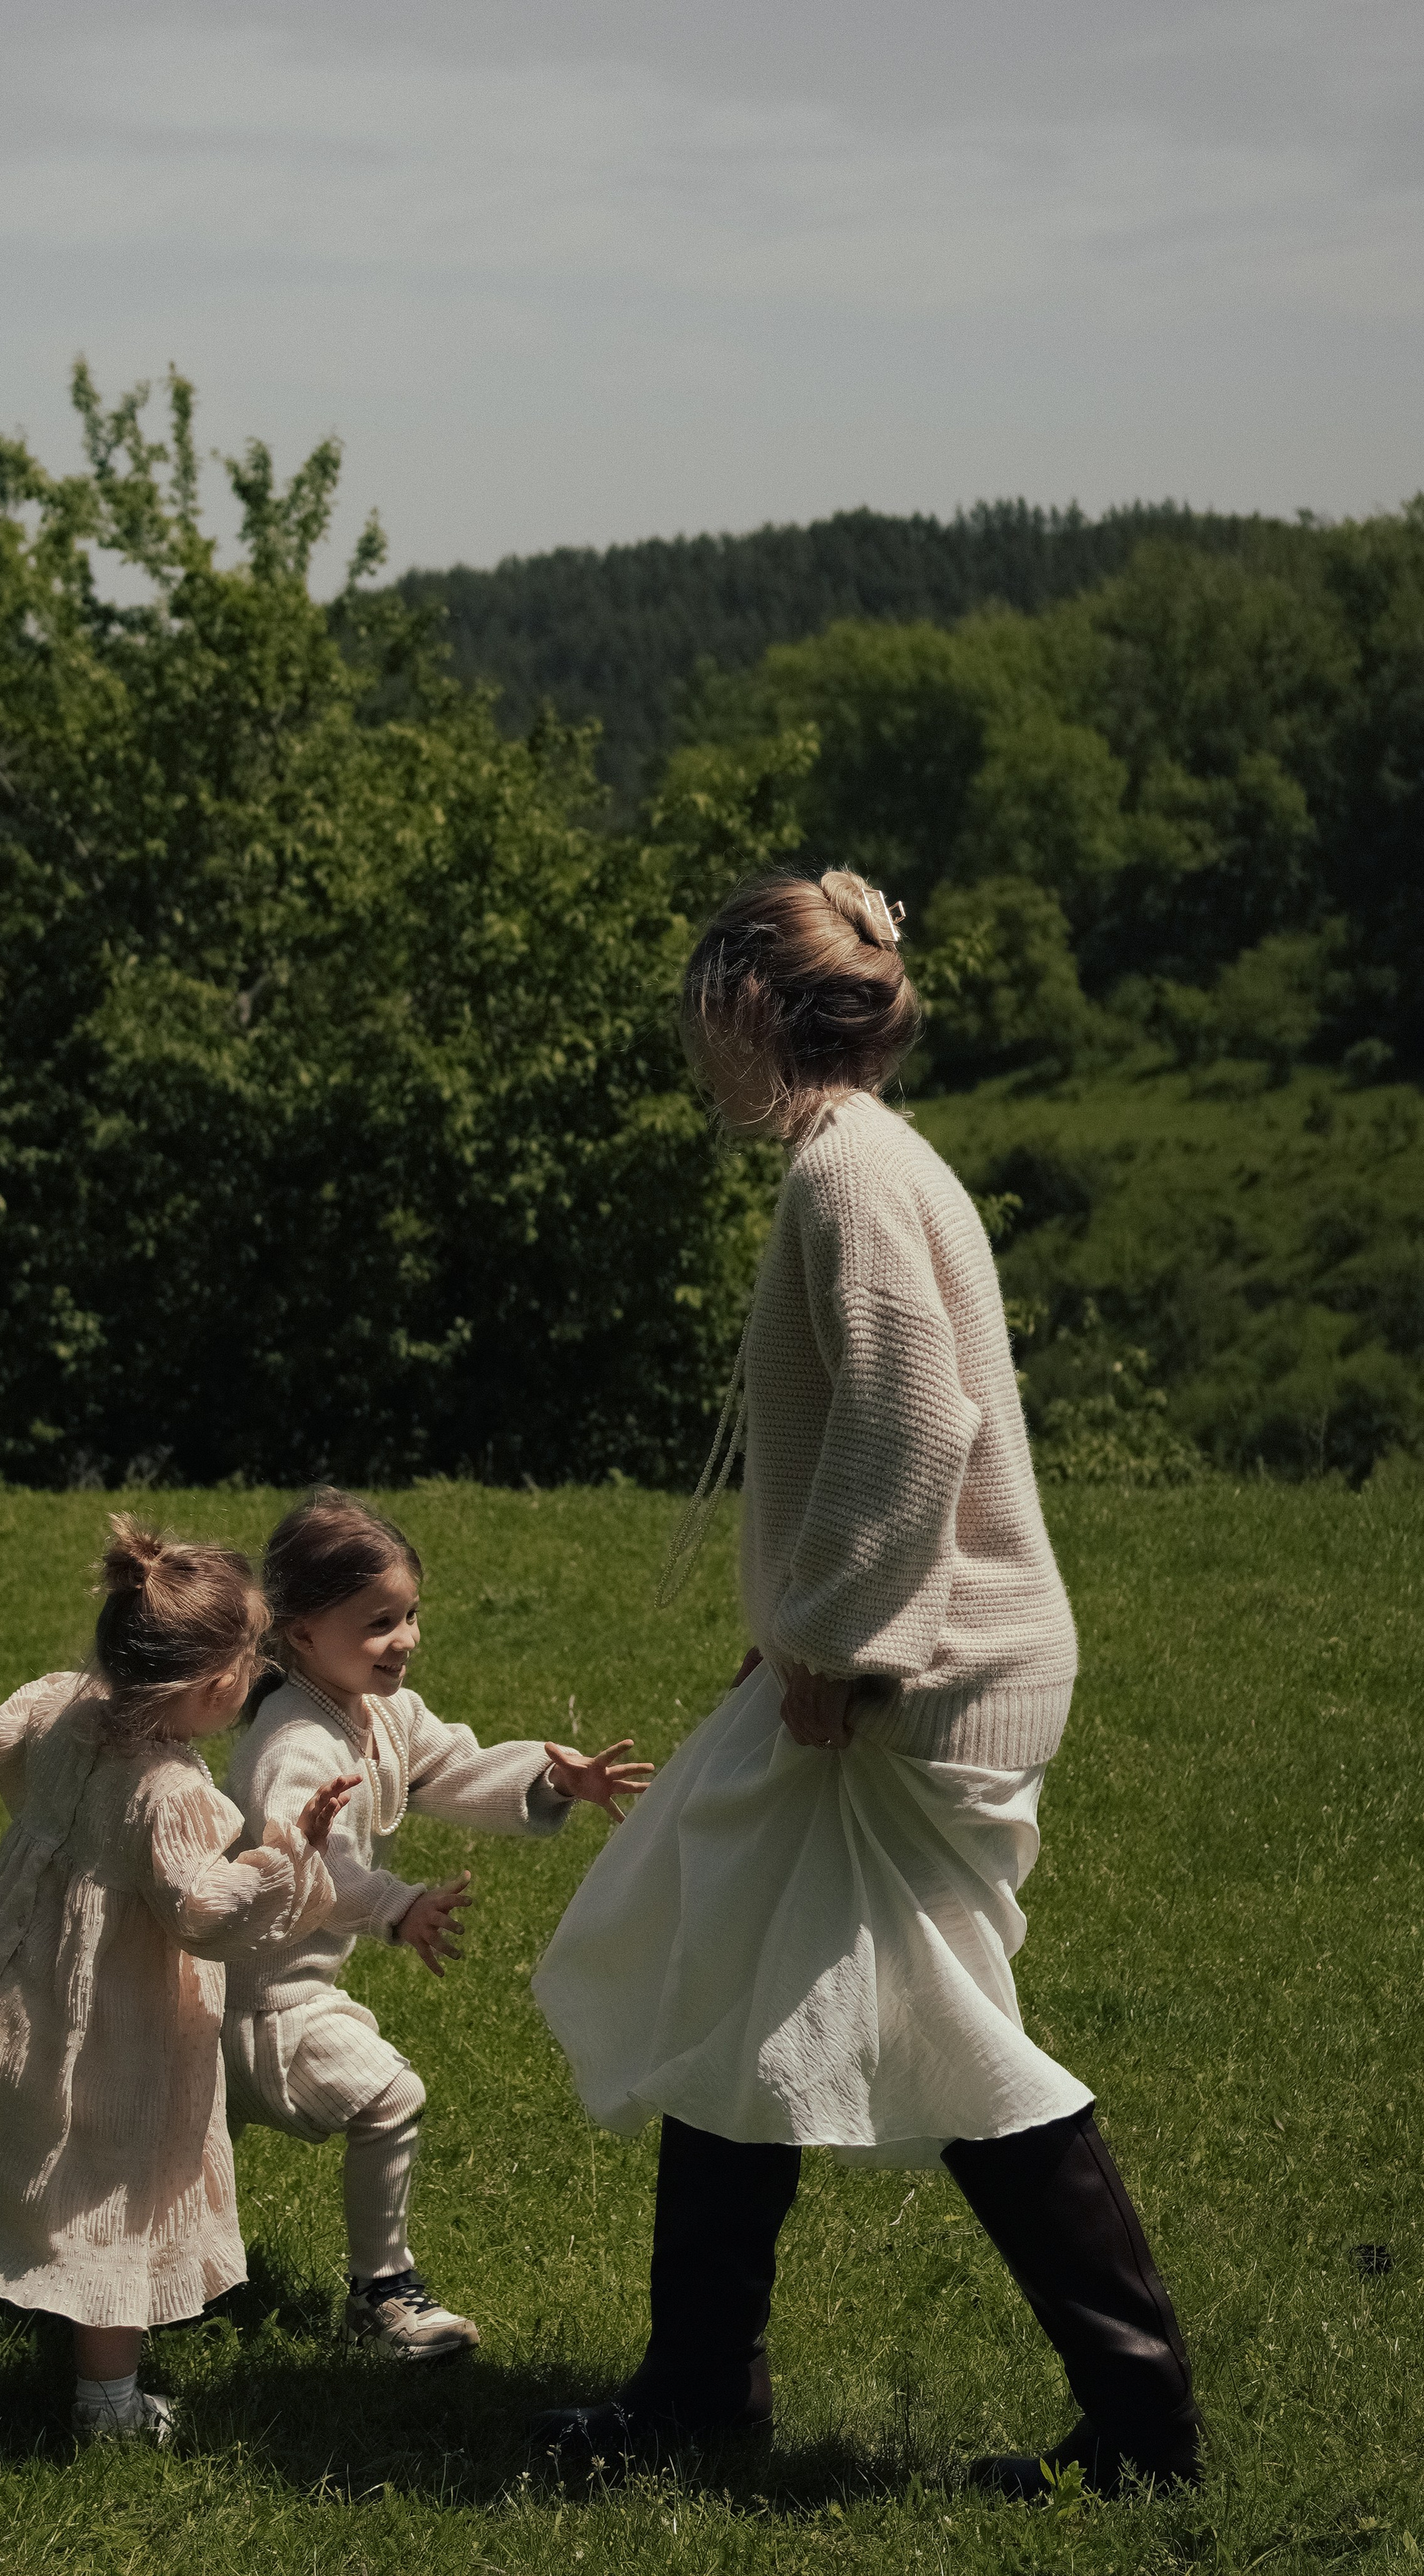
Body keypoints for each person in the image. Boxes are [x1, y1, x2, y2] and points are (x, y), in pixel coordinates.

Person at [531, 869, 1202, 2499]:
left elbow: (914, 1431)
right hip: (913, 1662)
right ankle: (696, 2389)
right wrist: (801, 1632)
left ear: (751, 1012)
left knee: (955, 2040)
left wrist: (834, 1647)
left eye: (706, 1009)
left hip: (919, 1681)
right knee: (727, 1979)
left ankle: (1140, 2425)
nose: (697, 1044)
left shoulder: (847, 1178)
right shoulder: (867, 1163)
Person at [0, 1515, 355, 2445]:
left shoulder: (65, 1714)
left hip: (1, 1994)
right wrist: (283, 1854)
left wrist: (50, 1832)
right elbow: (202, 1915)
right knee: (112, 2198)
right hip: (102, 2036)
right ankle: (110, 2407)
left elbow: (2, 1732)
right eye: (247, 1661)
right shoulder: (170, 1792)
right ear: (214, 1686)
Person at [221, 1486, 651, 2359]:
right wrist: (396, 1906)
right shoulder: (295, 1744)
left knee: (152, 2166)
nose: (405, 1638)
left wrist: (554, 1777)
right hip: (247, 2000)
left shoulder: (379, 1714)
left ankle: (34, 2278)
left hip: (268, 1990)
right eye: (379, 1621)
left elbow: (454, 1767)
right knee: (390, 2096)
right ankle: (382, 2297)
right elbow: (310, 1864)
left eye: (410, 1613)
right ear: (302, 1633)